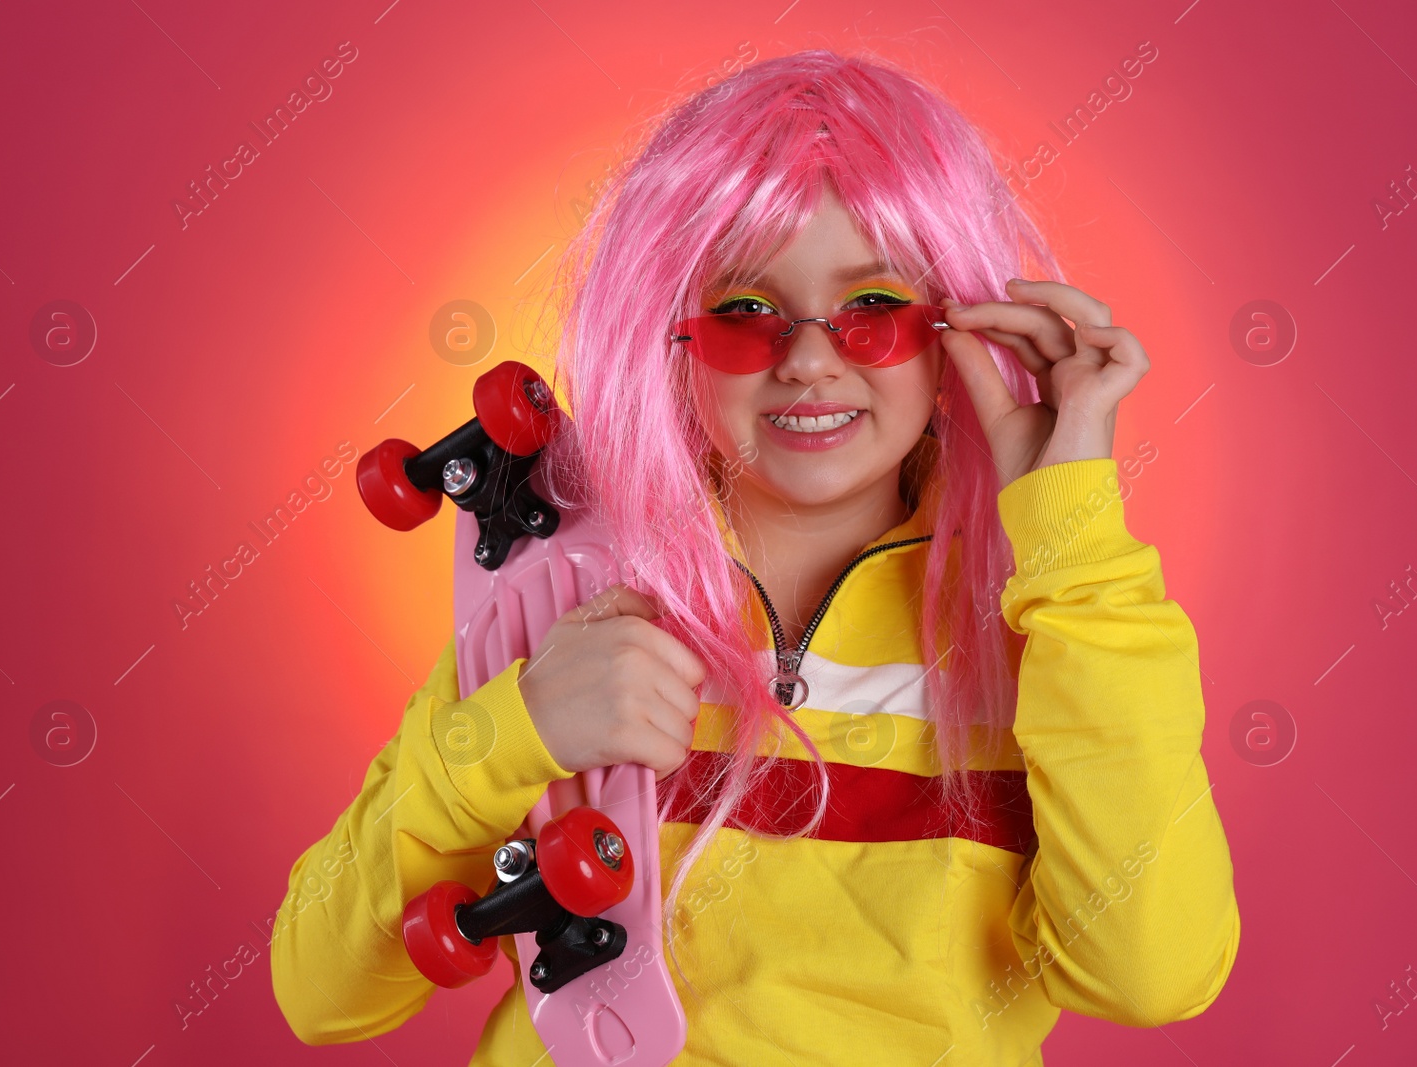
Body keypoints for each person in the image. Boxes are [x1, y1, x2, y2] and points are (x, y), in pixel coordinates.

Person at [269, 49, 1240, 1065]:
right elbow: (323, 990)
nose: (808, 358)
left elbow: (1148, 975)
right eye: (741, 309)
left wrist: (1070, 532)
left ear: (955, 326)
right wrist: (518, 729)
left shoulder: (1045, 628)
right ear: (667, 331)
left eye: (872, 306)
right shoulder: (570, 604)